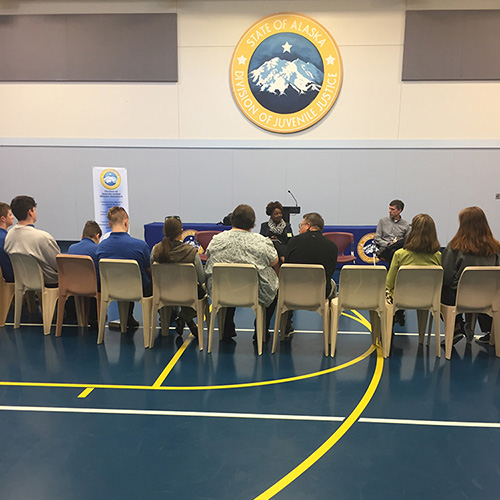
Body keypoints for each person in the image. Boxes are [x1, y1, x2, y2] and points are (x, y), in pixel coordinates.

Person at [205, 204, 279, 341]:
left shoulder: (217, 240)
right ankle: (261, 329)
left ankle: (227, 328)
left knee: (229, 278)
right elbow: (274, 261)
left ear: (232, 220)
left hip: (222, 290)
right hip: (254, 292)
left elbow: (208, 255)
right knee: (275, 288)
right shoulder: (261, 242)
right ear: (252, 222)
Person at [441, 206, 500, 345]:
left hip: (460, 297)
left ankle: (457, 325)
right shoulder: (496, 248)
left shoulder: (455, 247)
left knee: (439, 292)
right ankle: (489, 331)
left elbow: (446, 275)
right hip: (488, 298)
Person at [96, 206, 152, 328]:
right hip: (139, 290)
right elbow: (150, 271)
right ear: (126, 222)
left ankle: (127, 318)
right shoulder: (140, 246)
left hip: (111, 289)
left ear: (109, 224)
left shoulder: (101, 247)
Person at [151, 216, 205, 337]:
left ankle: (182, 319)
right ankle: (185, 317)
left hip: (163, 293)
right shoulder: (191, 252)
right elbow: (201, 278)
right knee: (201, 292)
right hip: (188, 295)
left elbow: (153, 274)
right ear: (181, 232)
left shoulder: (156, 250)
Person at [385, 214, 442, 326]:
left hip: (401, 298)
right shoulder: (437, 255)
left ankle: (387, 331)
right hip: (428, 298)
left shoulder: (400, 254)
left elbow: (389, 283)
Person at [4, 195, 60, 286]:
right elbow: (58, 264)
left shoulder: (9, 235)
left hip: (22, 281)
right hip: (48, 281)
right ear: (30, 212)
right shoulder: (42, 237)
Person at [285, 212, 338, 299]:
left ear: (308, 226)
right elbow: (330, 272)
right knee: (332, 284)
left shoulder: (293, 242)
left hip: (294, 291)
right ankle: (328, 311)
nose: (299, 229)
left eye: (301, 225)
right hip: (321, 293)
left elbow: (286, 266)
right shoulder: (332, 246)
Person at [0, 202, 15, 283]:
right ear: (3, 218)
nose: (12, 217)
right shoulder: (6, 239)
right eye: (10, 215)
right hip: (9, 278)